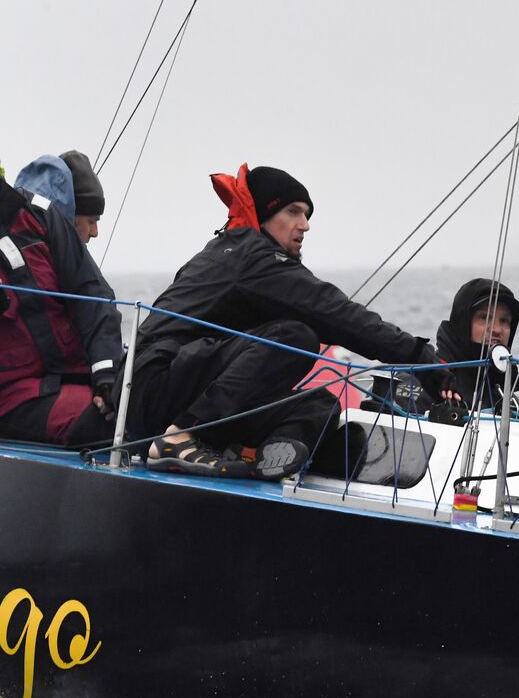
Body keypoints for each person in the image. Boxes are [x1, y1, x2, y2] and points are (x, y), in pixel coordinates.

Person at [128, 163, 444, 480]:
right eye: (293, 212)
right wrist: (419, 356)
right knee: (296, 337)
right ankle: (180, 438)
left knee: (320, 403)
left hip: (158, 390)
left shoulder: (228, 252)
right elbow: (333, 311)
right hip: (157, 384)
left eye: (307, 215)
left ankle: (250, 453)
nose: (304, 225)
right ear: (265, 215)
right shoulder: (250, 255)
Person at [0, 166, 122, 447]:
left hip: (76, 375)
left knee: (147, 392)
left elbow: (92, 293)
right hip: (14, 395)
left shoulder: (38, 213)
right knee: (103, 422)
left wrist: (106, 372)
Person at [435, 278, 519, 410]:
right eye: (484, 317)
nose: (497, 329)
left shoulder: (506, 394)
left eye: (504, 320)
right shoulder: (429, 381)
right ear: (462, 323)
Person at [13, 151, 104, 244]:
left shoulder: (9, 233)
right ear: (71, 217)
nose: (95, 232)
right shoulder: (41, 253)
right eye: (91, 222)